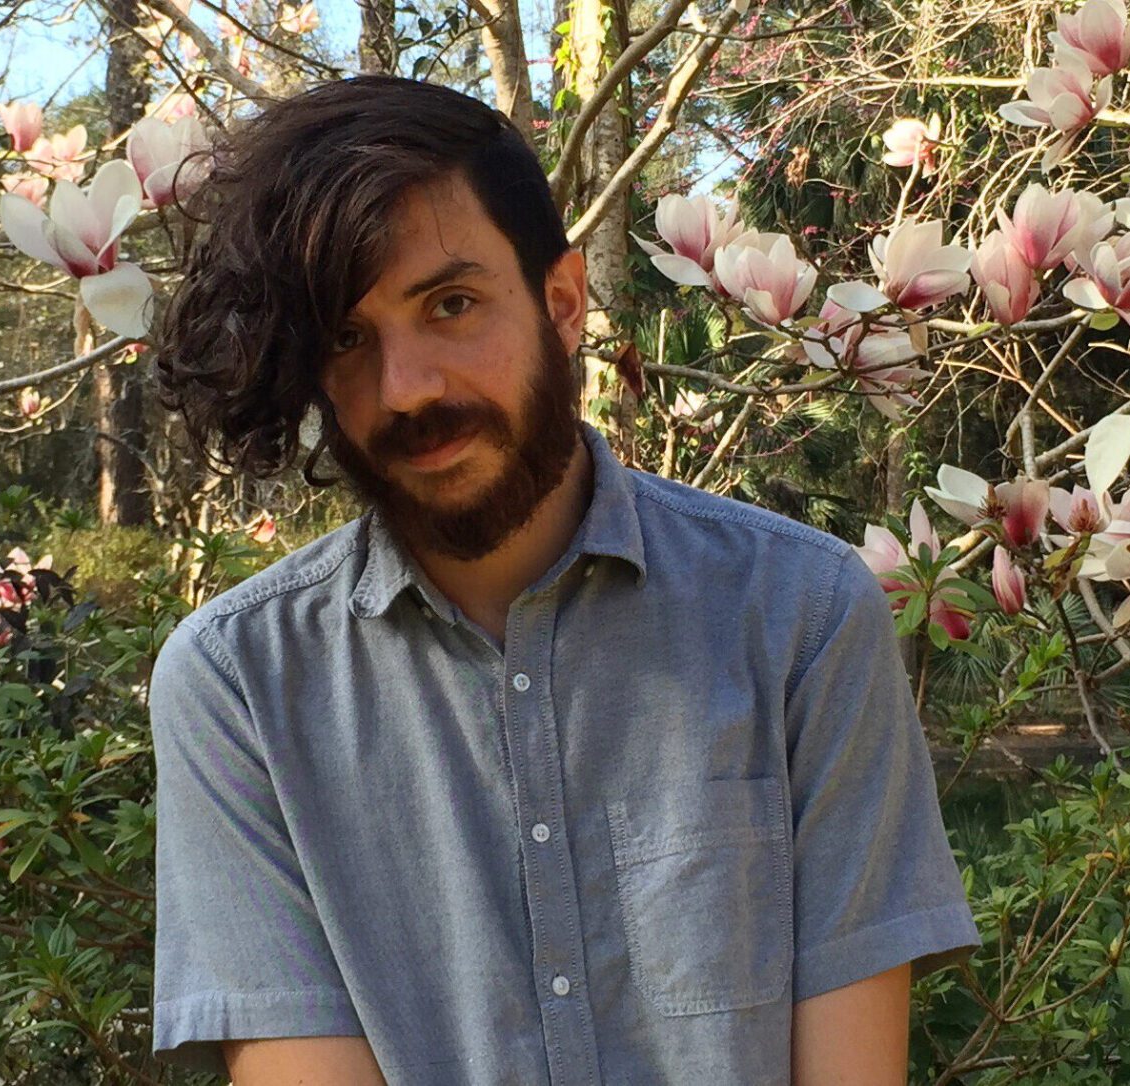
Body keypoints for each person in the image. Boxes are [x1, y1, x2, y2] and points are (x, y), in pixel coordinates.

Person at [149, 74, 982, 1086]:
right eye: (346, 337)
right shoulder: (239, 687)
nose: (407, 388)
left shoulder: (800, 616)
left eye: (450, 304)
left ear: (563, 301)